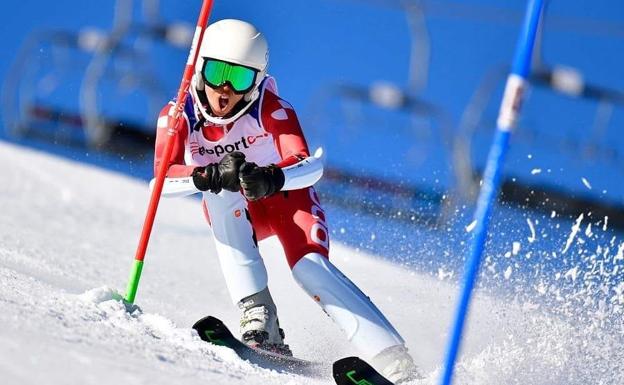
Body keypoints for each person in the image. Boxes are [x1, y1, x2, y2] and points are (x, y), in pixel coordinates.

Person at [154, 19, 419, 383]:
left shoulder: (270, 107)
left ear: (257, 81)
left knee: (310, 268)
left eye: (241, 78)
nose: (226, 89)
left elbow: (310, 165)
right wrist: (206, 175)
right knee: (219, 195)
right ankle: (259, 315)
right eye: (217, 72)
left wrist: (273, 176)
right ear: (200, 69)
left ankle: (394, 361)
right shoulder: (178, 115)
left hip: (289, 202)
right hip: (240, 210)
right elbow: (160, 182)